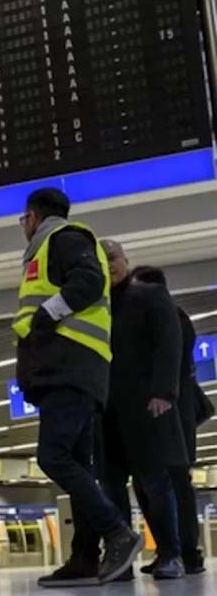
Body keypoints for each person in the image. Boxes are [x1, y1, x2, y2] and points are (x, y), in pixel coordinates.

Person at [12, 188, 141, 588]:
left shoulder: (63, 238)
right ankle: (85, 557)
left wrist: (46, 317)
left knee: (53, 455)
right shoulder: (51, 246)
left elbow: (88, 279)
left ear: (33, 217)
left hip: (69, 368)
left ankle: (117, 532)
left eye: (23, 220)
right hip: (71, 370)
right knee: (79, 463)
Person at [98, 242, 187, 580]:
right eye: (101, 261)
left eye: (113, 259)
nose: (108, 267)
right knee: (112, 486)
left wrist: (164, 391)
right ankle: (121, 561)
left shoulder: (149, 296)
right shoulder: (95, 307)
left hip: (145, 407)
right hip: (106, 410)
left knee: (154, 483)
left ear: (126, 262)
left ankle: (171, 554)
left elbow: (169, 342)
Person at [131, 265, 206, 576]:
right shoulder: (170, 317)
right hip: (168, 414)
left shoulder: (171, 317)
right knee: (156, 483)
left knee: (173, 482)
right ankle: (171, 550)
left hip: (170, 414)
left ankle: (185, 552)